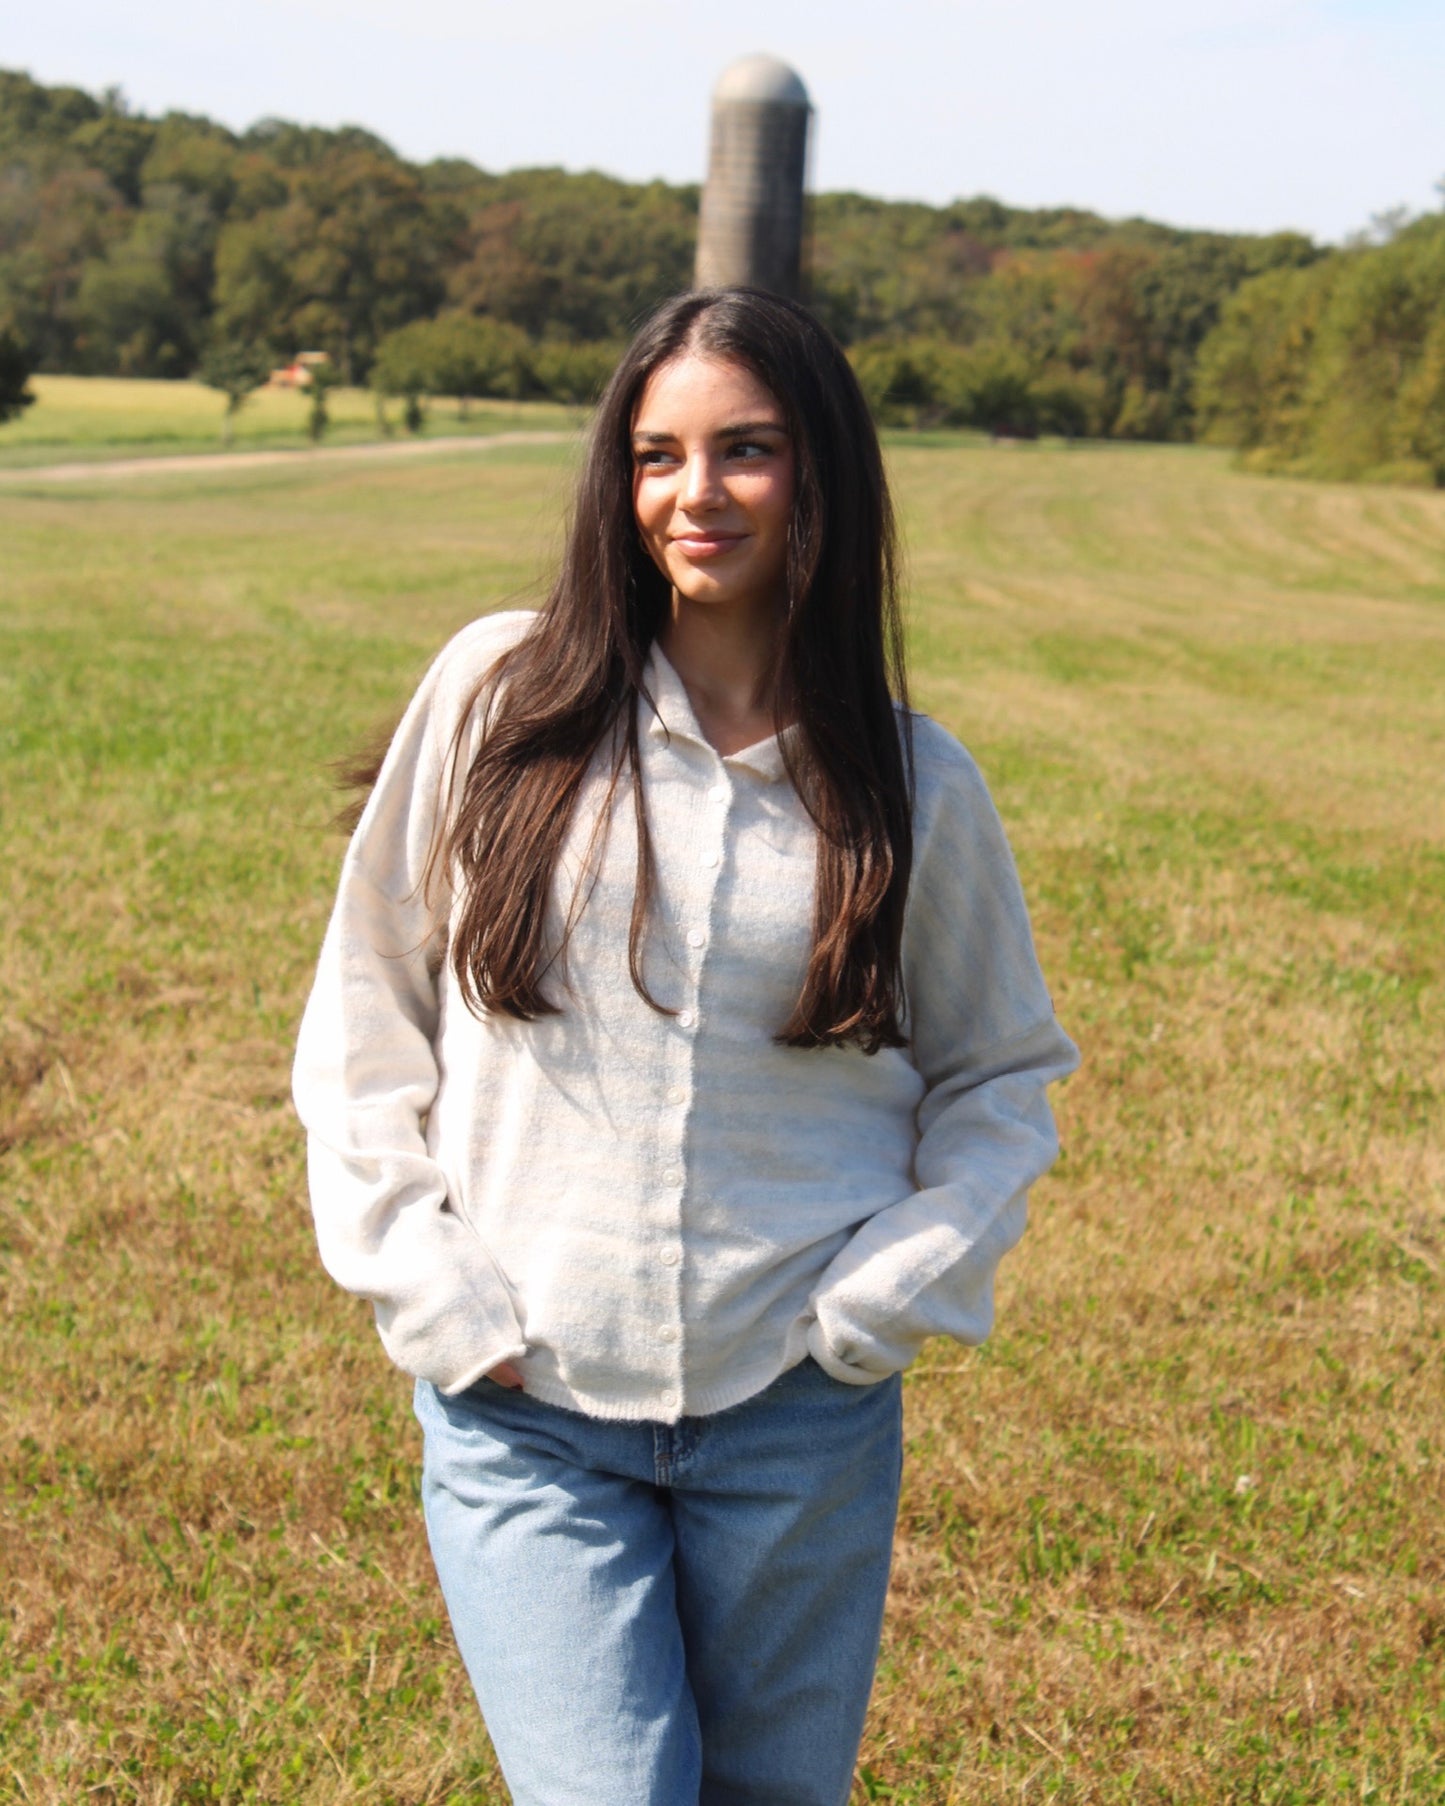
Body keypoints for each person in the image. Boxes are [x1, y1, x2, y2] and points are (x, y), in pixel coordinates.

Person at [292, 286, 1078, 1806]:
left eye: (746, 451)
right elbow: (364, 1005)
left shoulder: (913, 788)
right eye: (656, 455)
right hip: (527, 1413)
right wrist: (428, 1282)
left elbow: (1000, 1072)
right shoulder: (497, 700)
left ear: (823, 478)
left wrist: (885, 1294)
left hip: (794, 1421)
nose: (693, 494)